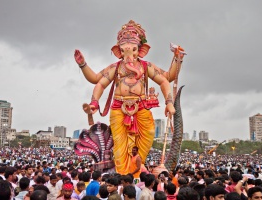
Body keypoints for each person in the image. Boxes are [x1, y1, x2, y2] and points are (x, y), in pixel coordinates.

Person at [74, 20, 184, 175]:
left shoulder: (146, 66)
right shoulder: (116, 67)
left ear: (140, 50)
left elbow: (167, 78)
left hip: (141, 107)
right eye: (124, 51)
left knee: (148, 135)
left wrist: (177, 60)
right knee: (119, 145)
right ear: (119, 51)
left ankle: (137, 168)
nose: (129, 56)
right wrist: (83, 65)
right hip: (119, 108)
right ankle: (123, 174)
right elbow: (97, 81)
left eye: (132, 50)